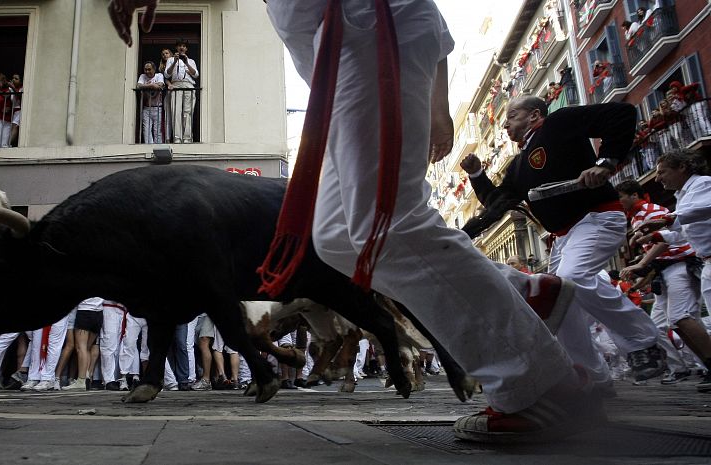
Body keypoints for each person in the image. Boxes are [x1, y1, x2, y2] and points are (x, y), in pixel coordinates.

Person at [109, 0, 594, 444]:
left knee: (382, 223)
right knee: (339, 237)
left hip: (368, 31)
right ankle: (519, 294)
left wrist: (438, 105)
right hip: (347, 47)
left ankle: (537, 387)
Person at [460, 96, 665, 389]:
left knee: (573, 278)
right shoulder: (518, 167)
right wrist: (477, 175)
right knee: (559, 301)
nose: (505, 123)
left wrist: (606, 162)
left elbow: (622, 114)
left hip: (596, 218)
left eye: (513, 115)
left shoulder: (558, 123)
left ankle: (642, 343)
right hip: (564, 237)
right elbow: (499, 201)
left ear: (534, 116)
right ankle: (593, 376)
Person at [635, 150, 711, 392]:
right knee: (678, 319)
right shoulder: (683, 194)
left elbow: (705, 208)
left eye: (663, 172)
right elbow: (683, 229)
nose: (658, 179)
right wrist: (658, 234)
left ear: (682, 168)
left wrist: (666, 221)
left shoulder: (702, 184)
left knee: (681, 317)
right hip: (707, 261)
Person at [165, 39, 198, 143]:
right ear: (176, 48)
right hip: (176, 85)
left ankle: (187, 137)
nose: (182, 47)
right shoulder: (170, 59)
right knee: (176, 111)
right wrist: (175, 61)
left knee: (187, 112)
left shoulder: (191, 61)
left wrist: (187, 63)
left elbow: (196, 74)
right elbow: (167, 74)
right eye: (179, 46)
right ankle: (177, 137)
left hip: (188, 85)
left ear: (186, 48)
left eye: (184, 46)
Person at [137, 61, 165, 144]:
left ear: (154, 69)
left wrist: (146, 86)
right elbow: (138, 86)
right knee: (146, 131)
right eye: (145, 70)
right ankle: (148, 148)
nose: (147, 72)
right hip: (146, 108)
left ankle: (158, 148)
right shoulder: (142, 76)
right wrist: (152, 86)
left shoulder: (159, 75)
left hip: (157, 108)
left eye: (149, 69)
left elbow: (160, 85)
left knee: (158, 132)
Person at [9, 73, 23, 147]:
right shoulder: (11, 89)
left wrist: (13, 87)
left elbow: (20, 97)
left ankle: (9, 143)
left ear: (20, 81)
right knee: (12, 127)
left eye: (16, 79)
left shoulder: (22, 88)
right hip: (13, 111)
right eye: (13, 78)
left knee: (15, 126)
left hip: (19, 110)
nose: (14, 80)